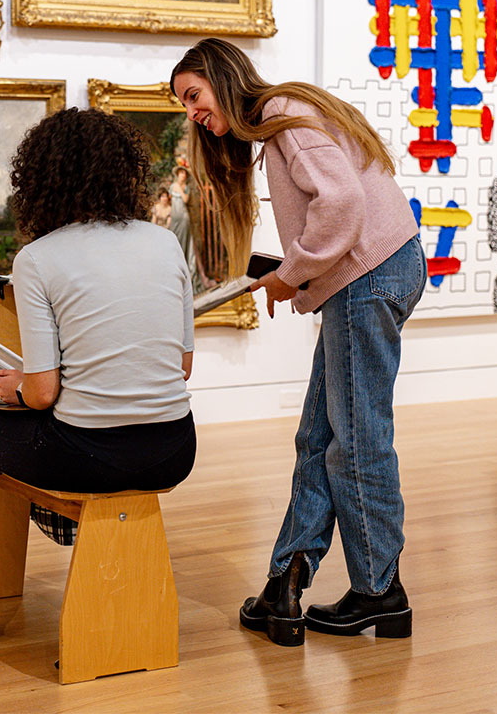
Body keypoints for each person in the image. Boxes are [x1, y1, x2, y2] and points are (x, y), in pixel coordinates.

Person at [170, 38, 426, 647]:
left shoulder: (284, 113)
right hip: (368, 276)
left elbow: (342, 202)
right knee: (319, 435)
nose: (192, 113)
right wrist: (297, 268)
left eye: (194, 96)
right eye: (184, 104)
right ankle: (285, 581)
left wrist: (293, 272)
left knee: (357, 439)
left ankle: (380, 590)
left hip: (367, 277)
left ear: (221, 77)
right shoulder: (280, 121)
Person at [0, 108, 197, 648]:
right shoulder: (164, 242)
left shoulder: (38, 258)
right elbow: (182, 367)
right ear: (124, 172)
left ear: (42, 179)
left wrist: (16, 386)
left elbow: (43, 393)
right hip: (174, 448)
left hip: (86, 454)